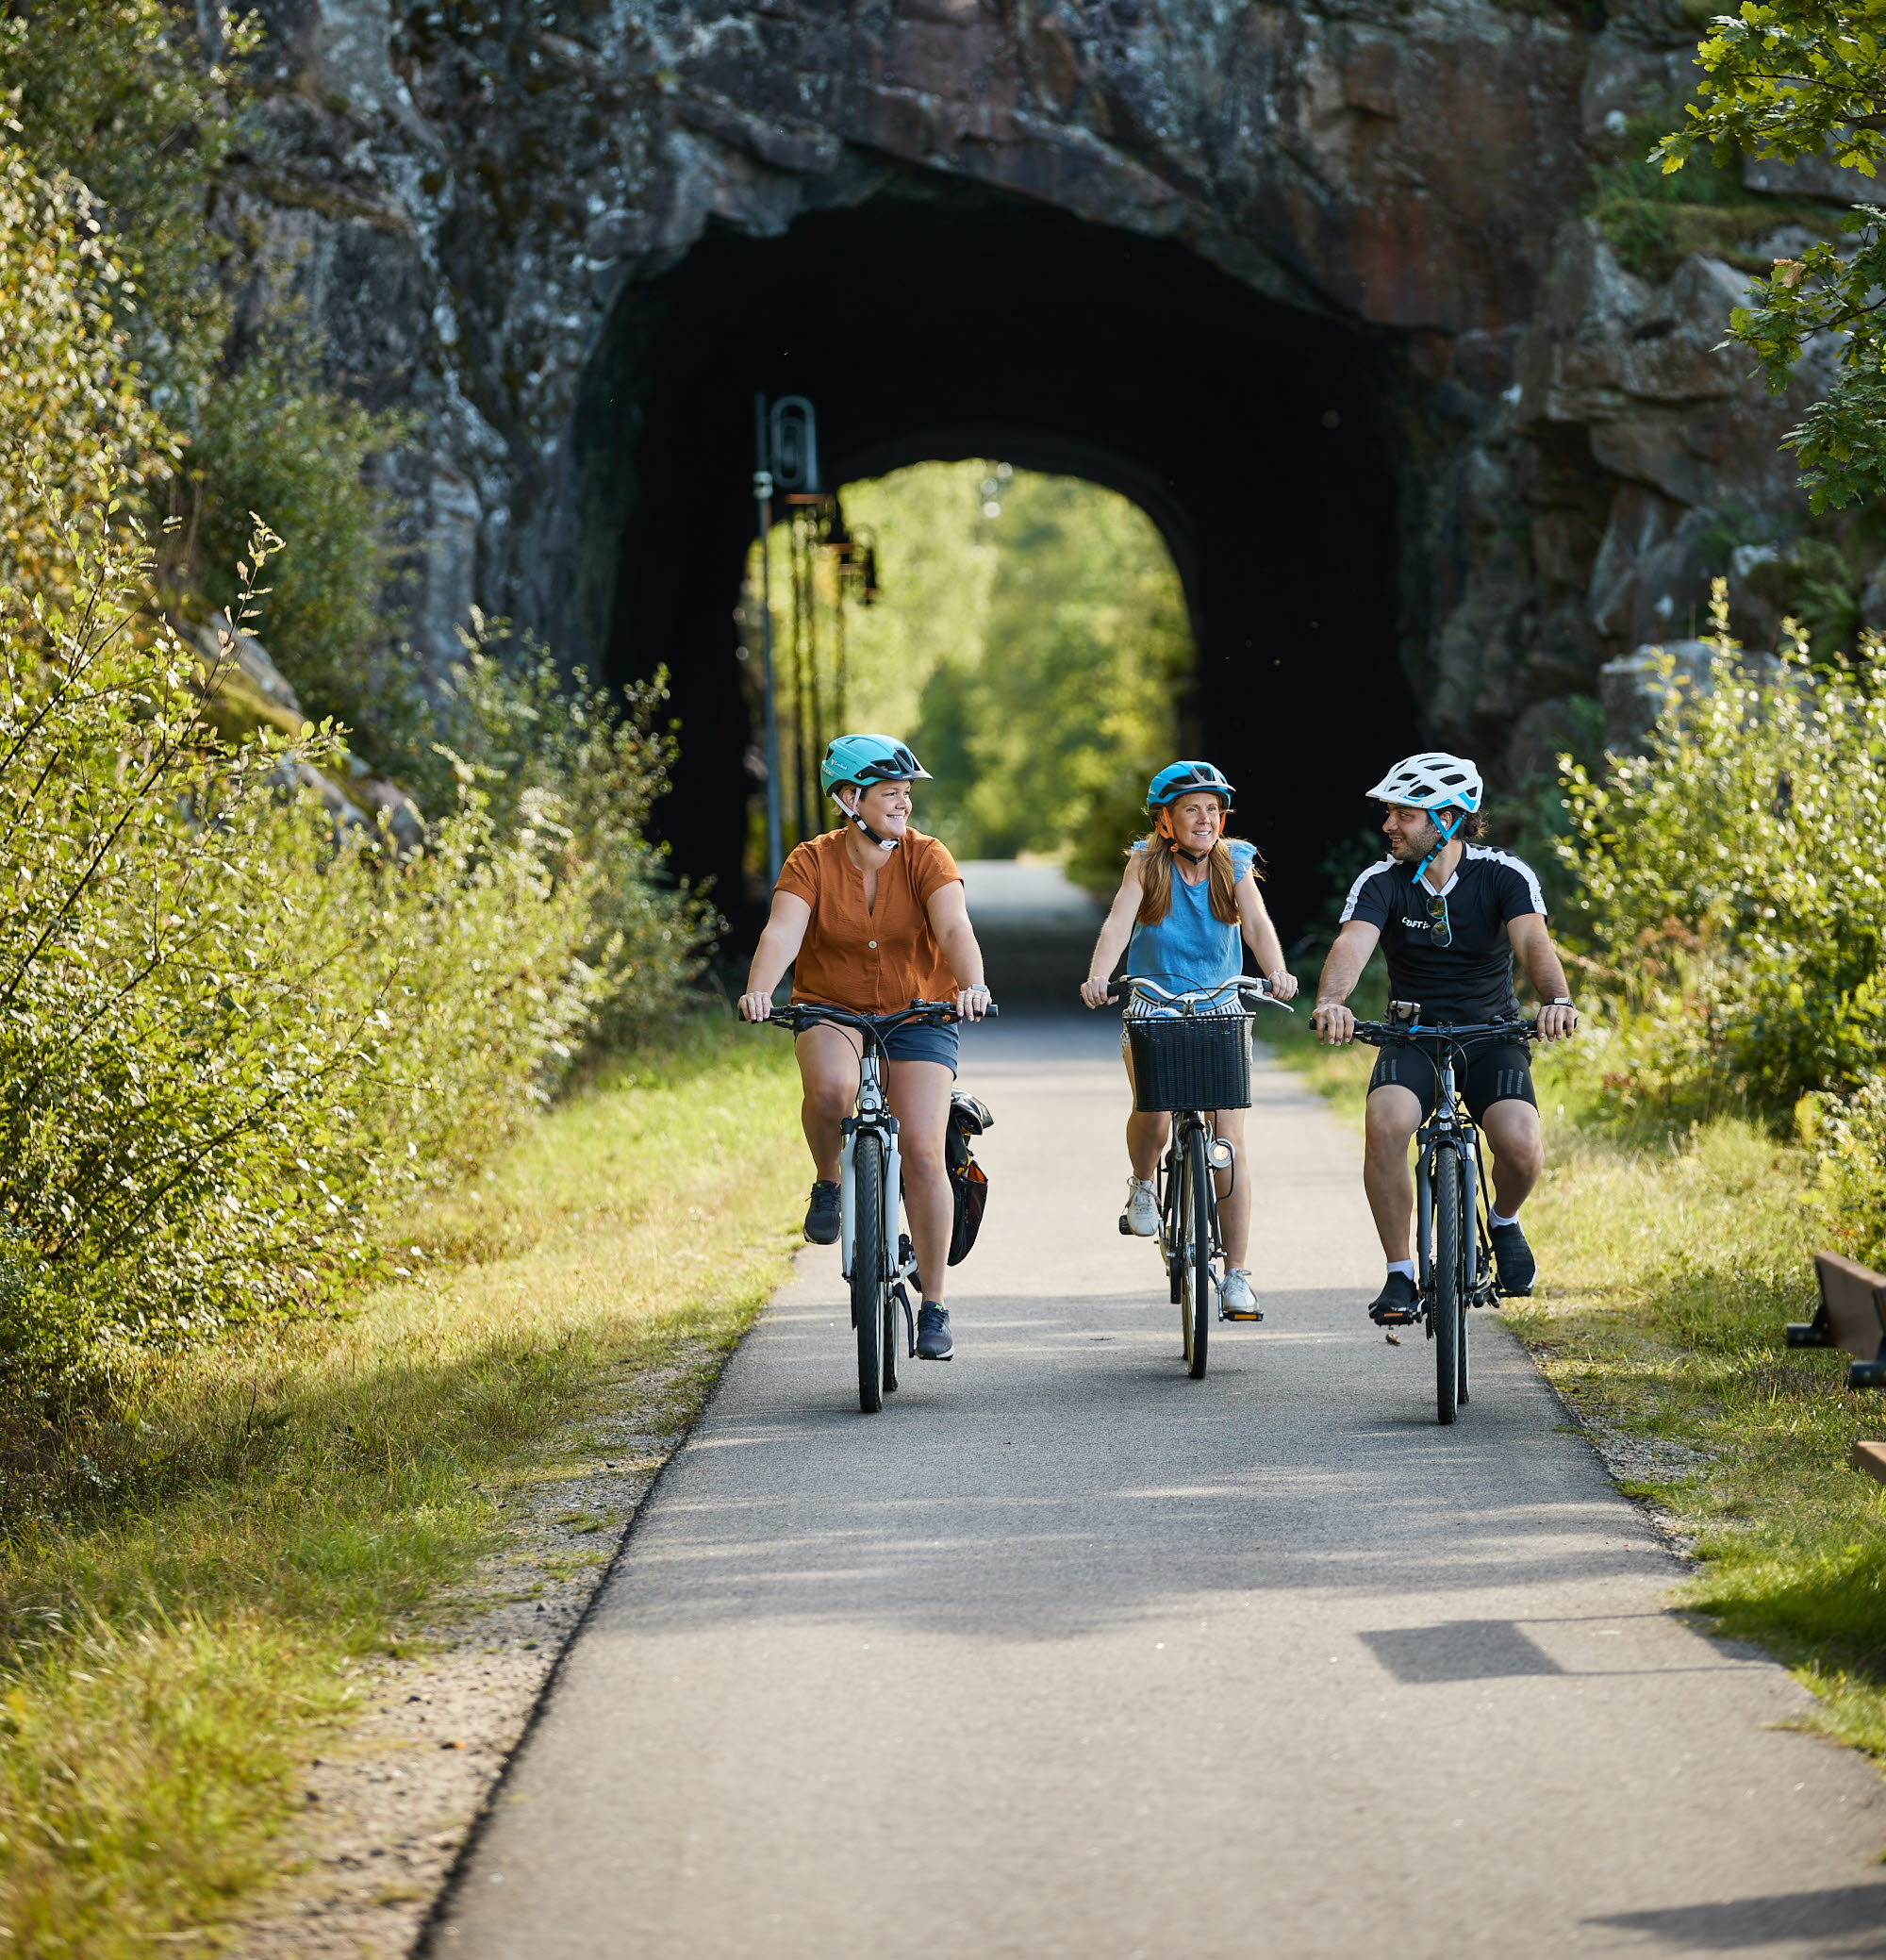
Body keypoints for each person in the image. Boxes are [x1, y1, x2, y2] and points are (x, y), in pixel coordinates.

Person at [738, 733, 992, 1362]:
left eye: (907, 793)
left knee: (926, 1154)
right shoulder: (811, 861)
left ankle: (933, 1303)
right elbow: (783, 929)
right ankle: (829, 1180)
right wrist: (759, 990)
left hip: (920, 1010)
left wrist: (973, 983)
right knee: (830, 1089)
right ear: (849, 798)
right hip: (833, 1006)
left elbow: (954, 924)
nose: (903, 804)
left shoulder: (927, 856)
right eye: (890, 794)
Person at [1310, 752, 1577, 1323]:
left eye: (1404, 815)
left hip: (1492, 1034)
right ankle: (1401, 1274)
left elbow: (1534, 945)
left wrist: (1556, 1001)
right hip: (1412, 1036)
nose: (1389, 826)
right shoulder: (1381, 881)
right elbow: (1352, 948)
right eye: (1390, 813)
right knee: (1385, 1123)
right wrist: (1332, 1002)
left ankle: (1503, 1221)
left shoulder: (1505, 875)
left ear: (1448, 820)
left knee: (1522, 1144)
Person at [1079, 761, 1299, 1317]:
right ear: (1165, 821)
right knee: (1153, 1114)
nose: (1205, 819)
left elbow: (1257, 924)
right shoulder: (1146, 864)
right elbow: (1118, 923)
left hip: (1221, 1002)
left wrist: (1276, 970)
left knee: (1229, 1141)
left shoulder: (1234, 863)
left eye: (1213, 809)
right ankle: (1143, 1184)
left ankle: (1238, 1276)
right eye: (1191, 809)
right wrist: (1100, 975)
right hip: (1155, 1000)